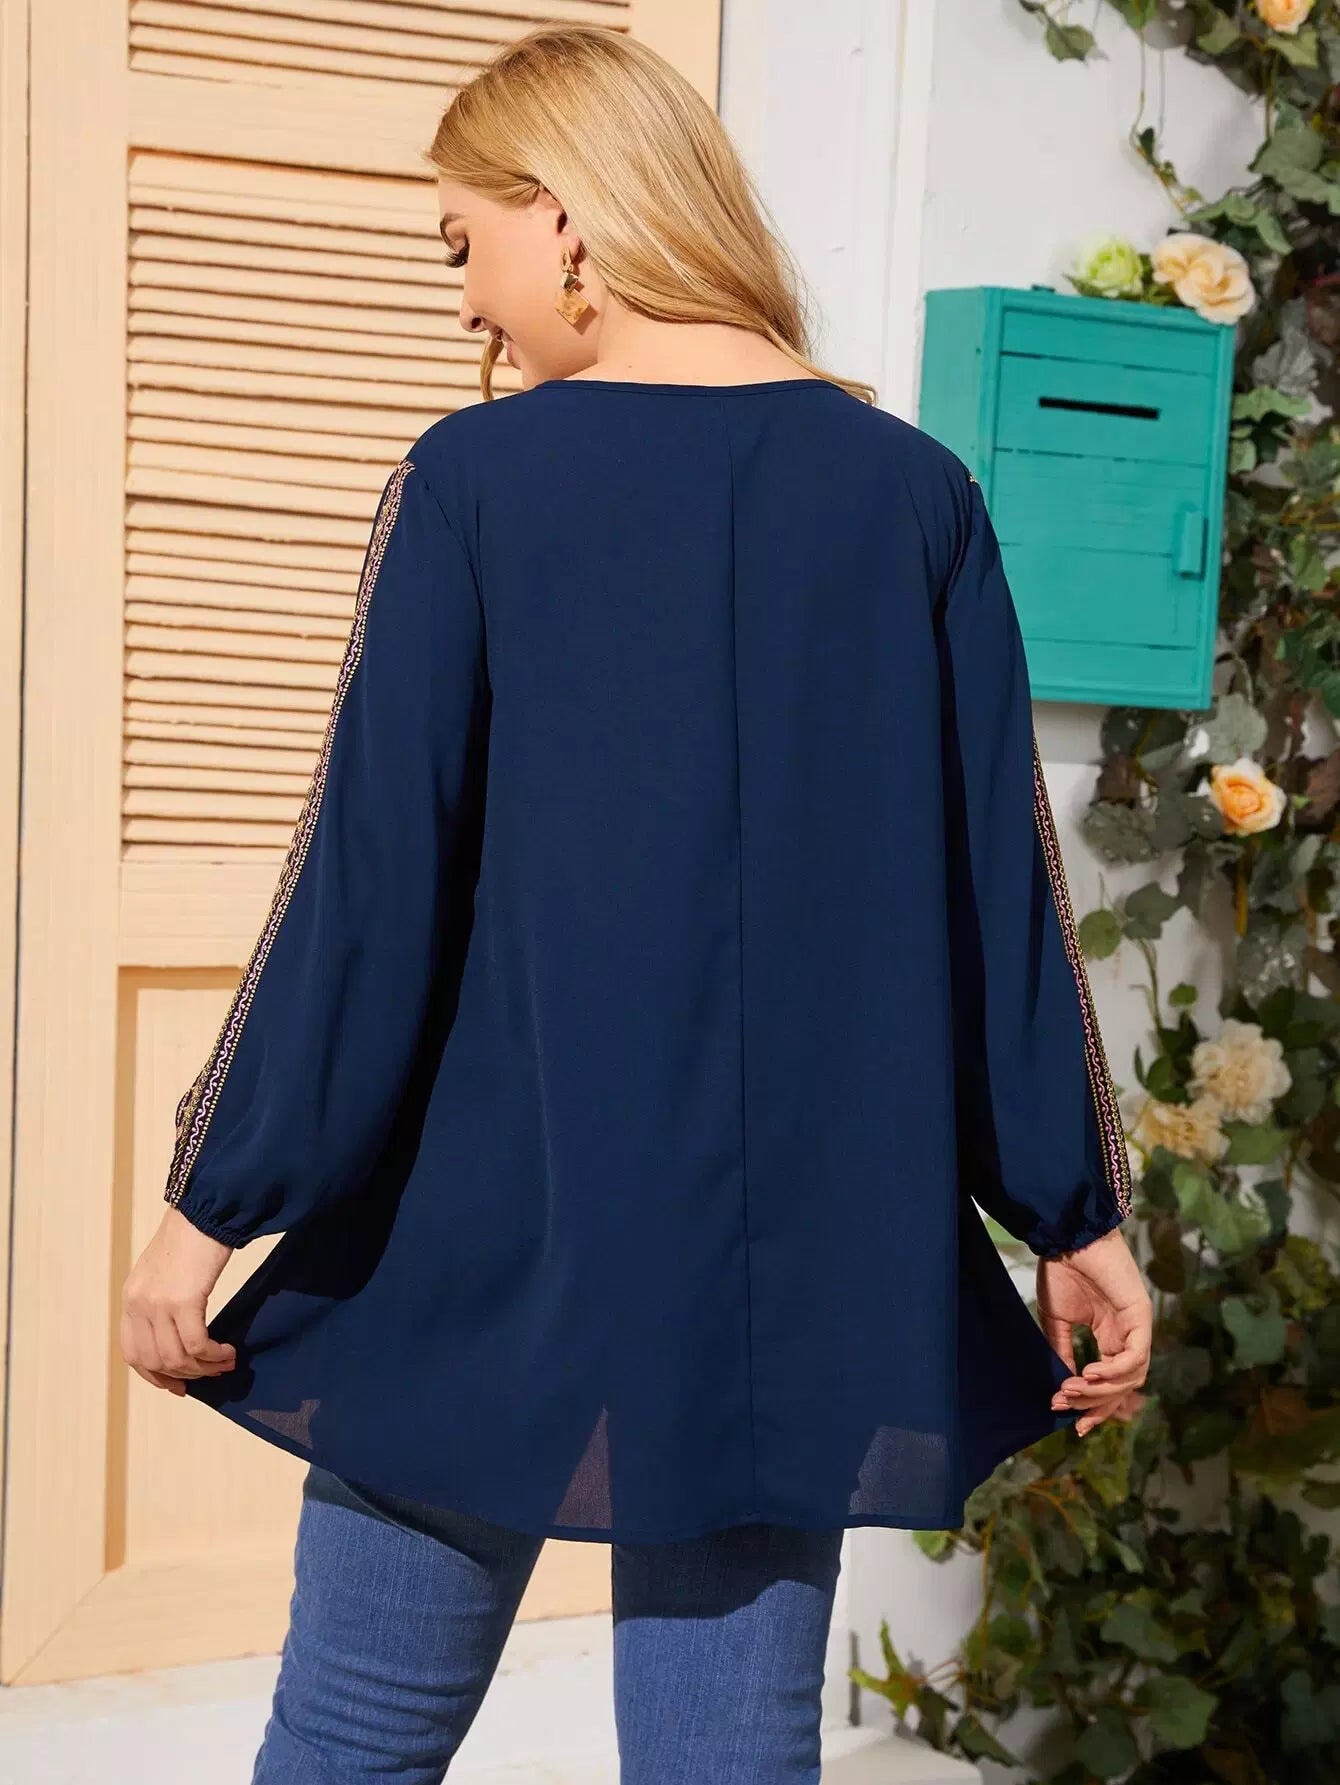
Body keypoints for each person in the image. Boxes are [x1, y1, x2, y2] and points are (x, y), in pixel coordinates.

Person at [118, 23, 1152, 1784]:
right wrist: (1074, 1208)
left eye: (465, 246)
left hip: (484, 1227)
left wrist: (211, 1206)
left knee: (355, 1734)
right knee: (727, 1760)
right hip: (787, 1262)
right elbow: (1002, 892)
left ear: (568, 218)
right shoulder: (916, 498)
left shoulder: (477, 486)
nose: (467, 304)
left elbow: (367, 889)